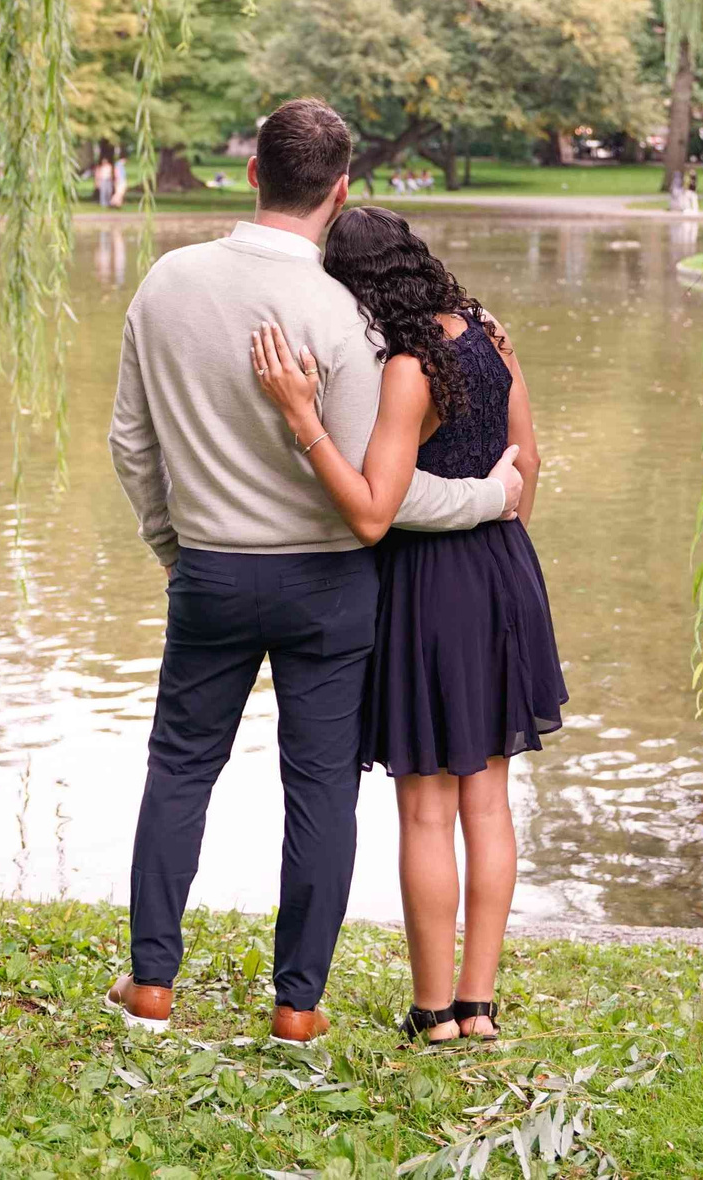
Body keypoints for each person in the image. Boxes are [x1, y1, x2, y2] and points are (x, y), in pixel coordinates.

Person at [106, 98, 523, 1047]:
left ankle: (153, 985)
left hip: (211, 571)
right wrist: (489, 497)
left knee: (180, 769)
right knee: (321, 788)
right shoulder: (350, 318)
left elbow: (131, 444)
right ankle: (298, 1004)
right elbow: (385, 493)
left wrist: (177, 546)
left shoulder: (167, 283)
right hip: (331, 586)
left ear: (255, 171)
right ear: (340, 190)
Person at [246, 207, 566, 1046]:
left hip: (430, 587)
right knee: (488, 802)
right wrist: (501, 529)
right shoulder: (489, 334)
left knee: (427, 809)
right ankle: (479, 1006)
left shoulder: (407, 368)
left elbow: (374, 510)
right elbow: (528, 463)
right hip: (506, 572)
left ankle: (434, 1012)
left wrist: (305, 421)